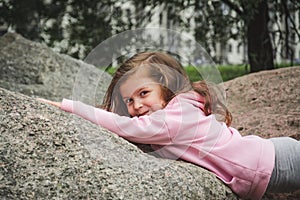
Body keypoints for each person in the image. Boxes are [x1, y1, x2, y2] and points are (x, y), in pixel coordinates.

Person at [39, 51, 300, 200]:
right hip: (267, 162)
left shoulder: (174, 118)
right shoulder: (176, 111)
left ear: (165, 86)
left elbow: (123, 126)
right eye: (129, 100)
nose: (136, 105)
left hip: (274, 161)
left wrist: (69, 107)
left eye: (143, 93)